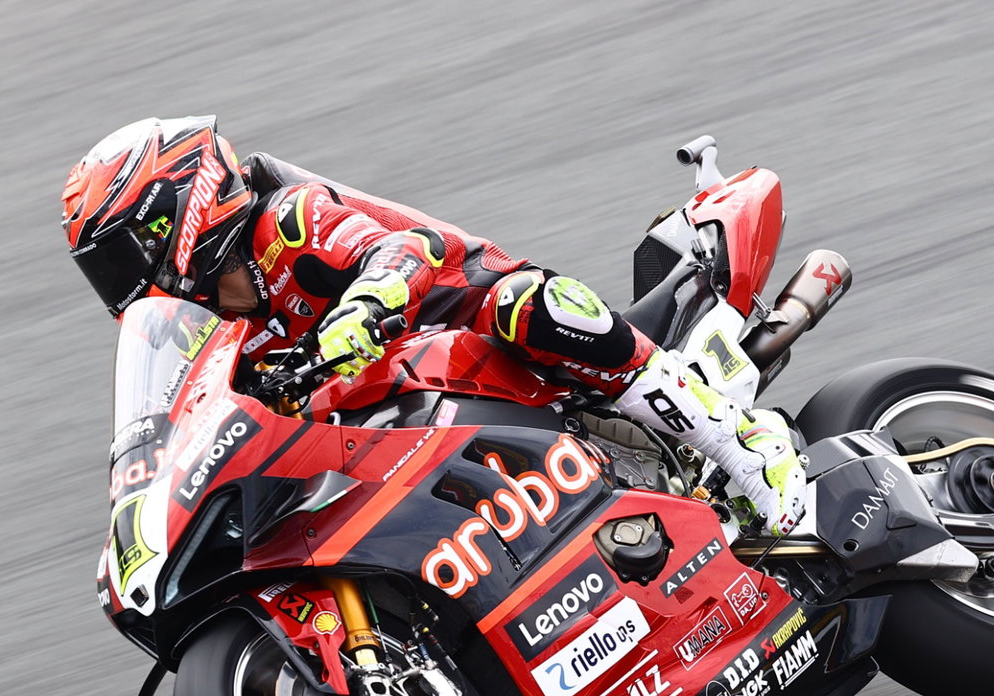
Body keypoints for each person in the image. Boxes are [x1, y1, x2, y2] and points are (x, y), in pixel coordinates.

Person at [61, 116, 805, 535]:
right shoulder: (209, 332)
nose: (120, 285)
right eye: (103, 270)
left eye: (122, 256)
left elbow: (399, 252)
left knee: (529, 305)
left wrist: (362, 308)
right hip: (394, 414)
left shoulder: (285, 224)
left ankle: (743, 446)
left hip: (470, 322)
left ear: (178, 211)